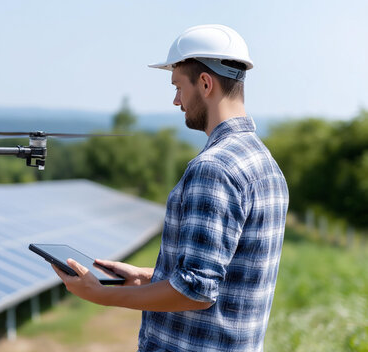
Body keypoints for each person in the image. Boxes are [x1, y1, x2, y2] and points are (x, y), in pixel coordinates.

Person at [52, 24, 289, 352]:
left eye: (178, 86)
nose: (176, 100)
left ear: (205, 83)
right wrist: (146, 277)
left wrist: (101, 294)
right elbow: (225, 277)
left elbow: (196, 290)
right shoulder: (263, 162)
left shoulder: (214, 168)